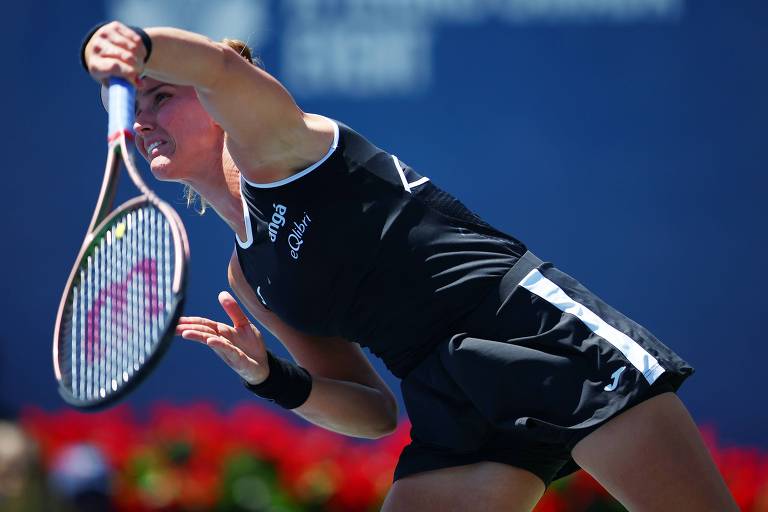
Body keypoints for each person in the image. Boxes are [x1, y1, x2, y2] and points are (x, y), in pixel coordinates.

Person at [82, 21, 739, 511]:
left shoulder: (284, 148)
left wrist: (132, 43)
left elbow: (223, 69)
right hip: (445, 395)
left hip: (531, 333)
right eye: (136, 105)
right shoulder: (247, 278)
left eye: (161, 96)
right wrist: (270, 378)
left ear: (215, 104)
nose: (143, 119)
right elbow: (372, 411)